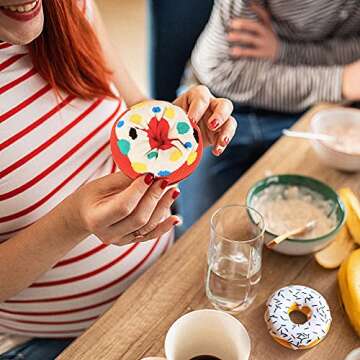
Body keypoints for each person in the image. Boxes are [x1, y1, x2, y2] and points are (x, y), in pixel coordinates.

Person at [0, 1, 237, 358]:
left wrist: (177, 125)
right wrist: (71, 222)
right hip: (67, 342)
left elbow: (136, 107)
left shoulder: (70, 7)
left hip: (166, 277)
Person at [178, 0, 360, 229]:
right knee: (198, 233)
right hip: (216, 104)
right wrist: (340, 82)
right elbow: (221, 70)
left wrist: (285, 51)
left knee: (321, 218)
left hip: (305, 111)